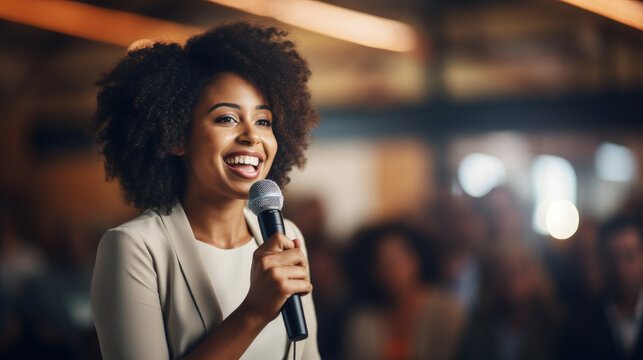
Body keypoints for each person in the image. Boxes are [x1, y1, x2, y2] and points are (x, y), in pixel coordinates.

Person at [90, 22, 321, 360]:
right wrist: (253, 313)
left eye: (264, 121)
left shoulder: (287, 237)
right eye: (227, 119)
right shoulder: (135, 248)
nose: (251, 136)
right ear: (177, 137)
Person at [344, 223, 464, 360]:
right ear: (373, 271)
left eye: (396, 260)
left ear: (416, 260)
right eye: (382, 264)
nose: (391, 270)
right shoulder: (362, 321)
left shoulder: (446, 312)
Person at [560, 215, 643, 360]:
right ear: (600, 260)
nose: (620, 268)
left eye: (629, 256)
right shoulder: (579, 323)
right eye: (611, 258)